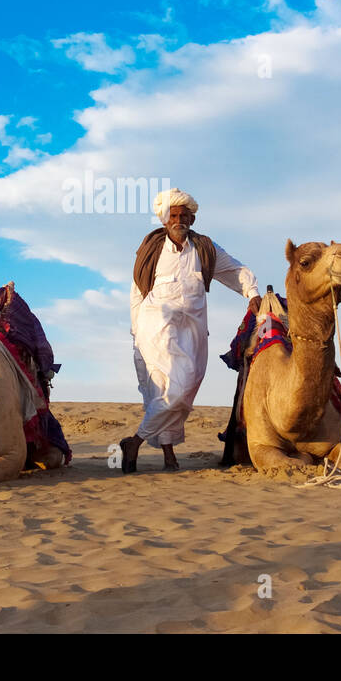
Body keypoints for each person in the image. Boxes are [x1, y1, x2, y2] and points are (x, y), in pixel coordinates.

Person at [120, 188, 260, 472]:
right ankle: (135, 442)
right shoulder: (151, 250)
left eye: (185, 215)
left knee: (182, 389)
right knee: (174, 388)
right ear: (164, 219)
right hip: (157, 327)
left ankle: (168, 455)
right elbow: (137, 291)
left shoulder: (205, 249)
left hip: (194, 328)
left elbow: (235, 270)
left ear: (193, 219)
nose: (179, 219)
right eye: (174, 215)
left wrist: (252, 292)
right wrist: (137, 331)